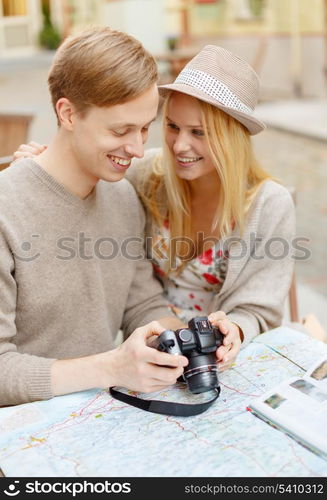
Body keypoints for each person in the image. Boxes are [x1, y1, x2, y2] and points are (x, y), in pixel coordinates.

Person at [13, 45, 296, 385]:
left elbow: (257, 308)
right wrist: (39, 170)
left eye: (199, 132)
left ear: (231, 138)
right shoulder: (144, 176)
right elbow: (83, 163)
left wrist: (233, 329)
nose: (178, 146)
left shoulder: (269, 204)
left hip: (219, 360)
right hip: (156, 349)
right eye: (172, 127)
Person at [0, 26, 193, 407]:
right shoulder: (8, 211)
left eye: (144, 128)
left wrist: (189, 339)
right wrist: (112, 368)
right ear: (68, 113)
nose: (137, 149)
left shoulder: (122, 196)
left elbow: (141, 306)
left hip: (99, 416)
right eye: (121, 130)